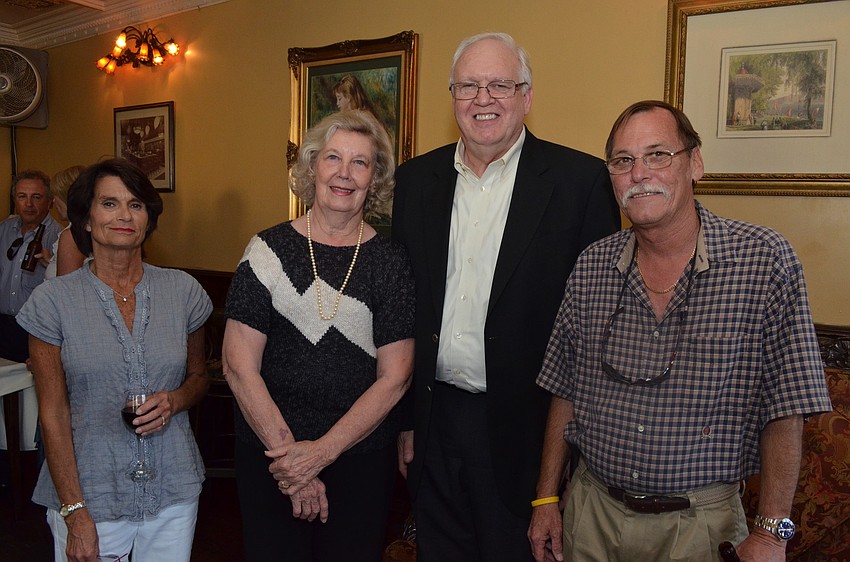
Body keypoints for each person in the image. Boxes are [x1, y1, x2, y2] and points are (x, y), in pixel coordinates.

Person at [528, 100, 832, 562]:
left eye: (658, 155)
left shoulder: (764, 262)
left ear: (696, 164)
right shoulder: (591, 266)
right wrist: (547, 498)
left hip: (701, 528)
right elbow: (564, 389)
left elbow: (786, 407)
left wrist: (773, 534)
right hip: (591, 517)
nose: (639, 173)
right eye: (623, 161)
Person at [391, 32, 621, 561]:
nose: (483, 98)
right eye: (469, 86)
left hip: (529, 433)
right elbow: (403, 310)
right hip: (433, 423)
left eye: (500, 84)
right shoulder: (416, 180)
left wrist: (565, 462)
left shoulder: (580, 181)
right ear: (452, 97)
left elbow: (598, 327)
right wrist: (407, 420)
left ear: (527, 96)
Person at [222, 109, 414, 562]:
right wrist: (292, 460)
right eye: (333, 158)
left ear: (375, 178)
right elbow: (238, 366)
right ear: (312, 168)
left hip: (359, 462)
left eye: (360, 162)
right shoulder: (267, 251)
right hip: (271, 458)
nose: (344, 173)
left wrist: (321, 454)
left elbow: (396, 378)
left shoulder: (391, 262)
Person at [16, 158, 212, 562]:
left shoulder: (183, 291)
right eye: (109, 203)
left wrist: (175, 400)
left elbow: (198, 376)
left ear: (148, 219)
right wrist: (75, 512)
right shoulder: (53, 302)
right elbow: (53, 412)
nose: (124, 215)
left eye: (135, 205)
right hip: (90, 492)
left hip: (173, 487)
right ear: (86, 220)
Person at [0, 169, 61, 362]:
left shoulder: (60, 237)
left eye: (36, 197)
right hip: (2, 324)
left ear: (50, 201)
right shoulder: (3, 230)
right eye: (22, 196)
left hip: (35, 330)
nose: (28, 204)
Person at [45, 165, 87, 279]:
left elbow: (67, 287)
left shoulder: (73, 236)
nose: (54, 201)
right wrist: (52, 262)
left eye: (56, 196)